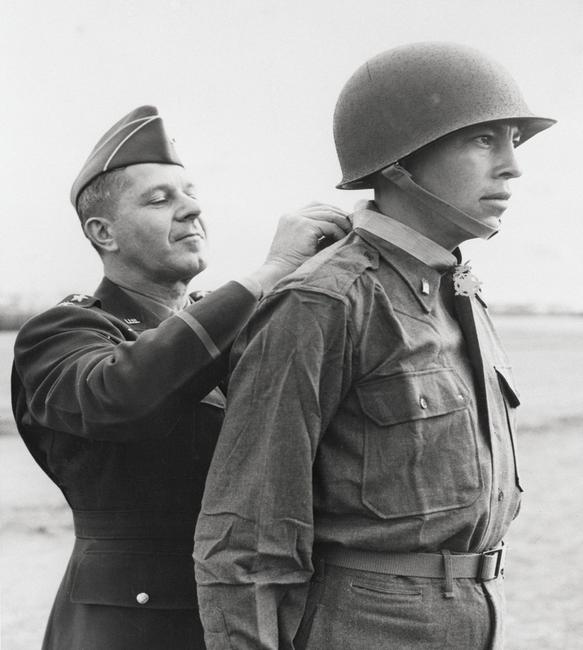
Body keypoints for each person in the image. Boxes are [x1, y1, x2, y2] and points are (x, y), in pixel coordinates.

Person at [194, 42, 555, 649]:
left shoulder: (455, 291)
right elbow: (245, 541)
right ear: (397, 164)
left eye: (513, 140)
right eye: (483, 140)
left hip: (469, 615)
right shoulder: (325, 301)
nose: (511, 166)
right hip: (364, 626)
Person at [11, 105, 350, 650]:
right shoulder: (61, 332)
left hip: (244, 614)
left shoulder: (226, 330)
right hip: (130, 627)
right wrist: (270, 271)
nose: (192, 209)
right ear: (104, 232)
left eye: (190, 193)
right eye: (159, 198)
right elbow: (125, 395)